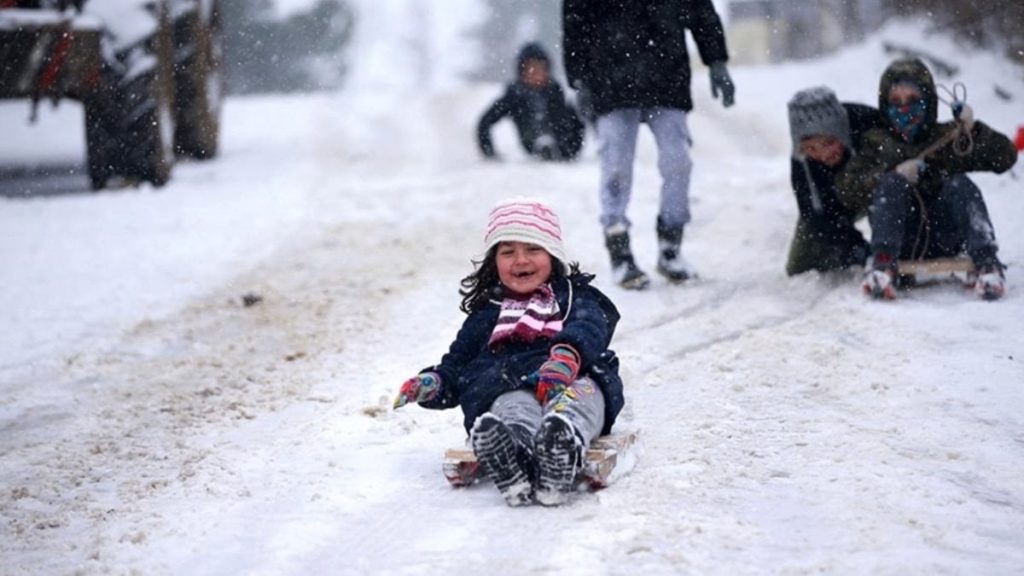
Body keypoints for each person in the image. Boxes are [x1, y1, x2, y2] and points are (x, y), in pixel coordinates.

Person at [392, 198, 625, 507]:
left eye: (533, 249)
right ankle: (512, 456)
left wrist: (567, 355)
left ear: (553, 255)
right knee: (512, 408)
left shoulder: (573, 297)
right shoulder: (486, 313)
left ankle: (561, 447)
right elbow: (458, 364)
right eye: (507, 252)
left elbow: (589, 326)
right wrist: (432, 383)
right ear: (494, 261)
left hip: (571, 378)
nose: (520, 260)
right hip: (509, 384)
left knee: (576, 402)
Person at [562, 0, 735, 289]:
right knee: (616, 167)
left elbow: (700, 11)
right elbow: (576, 21)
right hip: (610, 81)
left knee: (678, 162)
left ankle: (671, 246)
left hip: (667, 76)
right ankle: (620, 251)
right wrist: (580, 80)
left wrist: (717, 60)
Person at [836, 58, 1018, 300]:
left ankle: (987, 262)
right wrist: (892, 175)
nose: (904, 108)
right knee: (891, 184)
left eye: (912, 100)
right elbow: (847, 190)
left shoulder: (947, 137)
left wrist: (973, 130)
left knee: (959, 184)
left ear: (928, 101)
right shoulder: (876, 143)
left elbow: (1005, 157)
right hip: (900, 240)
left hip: (944, 234)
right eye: (896, 102)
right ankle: (882, 265)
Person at [785, 87, 884, 276]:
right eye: (811, 149)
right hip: (835, 201)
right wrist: (854, 248)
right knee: (799, 266)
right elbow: (815, 214)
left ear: (841, 133)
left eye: (829, 143)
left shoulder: (869, 124)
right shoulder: (801, 162)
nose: (823, 155)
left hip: (876, 189)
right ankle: (840, 260)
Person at [476, 43, 585, 162]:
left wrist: (572, 150)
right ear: (521, 71)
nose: (536, 73)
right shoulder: (514, 96)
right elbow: (485, 122)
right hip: (531, 143)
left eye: (540, 68)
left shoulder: (556, 92)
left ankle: (550, 146)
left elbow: (577, 123)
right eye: (530, 69)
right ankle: (543, 145)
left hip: (563, 148)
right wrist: (489, 153)